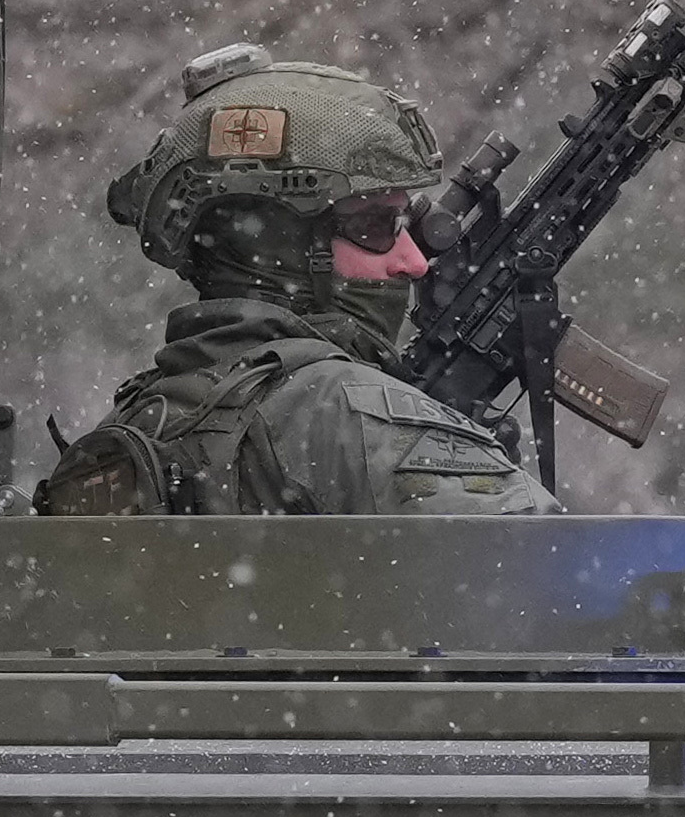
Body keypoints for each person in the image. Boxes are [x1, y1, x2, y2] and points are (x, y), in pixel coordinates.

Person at [31, 46, 556, 517]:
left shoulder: (141, 416)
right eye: (376, 226)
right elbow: (560, 576)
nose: (414, 262)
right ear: (284, 250)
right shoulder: (346, 416)